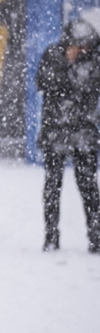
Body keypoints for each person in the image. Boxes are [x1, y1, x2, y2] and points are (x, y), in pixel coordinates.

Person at [36, 19, 100, 253]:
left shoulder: (95, 61)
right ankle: (51, 235)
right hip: (56, 132)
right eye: (78, 45)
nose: (82, 50)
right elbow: (44, 83)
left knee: (88, 186)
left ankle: (96, 235)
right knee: (53, 186)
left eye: (86, 46)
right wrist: (67, 65)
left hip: (84, 132)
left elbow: (89, 88)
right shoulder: (53, 56)